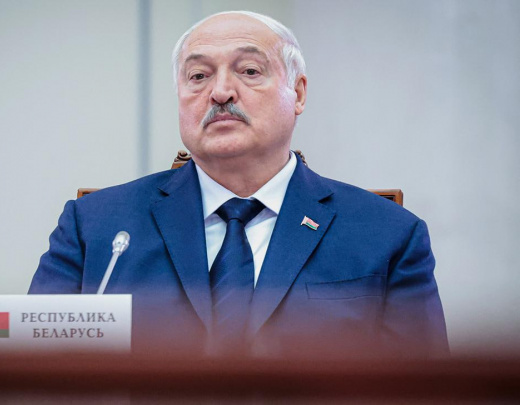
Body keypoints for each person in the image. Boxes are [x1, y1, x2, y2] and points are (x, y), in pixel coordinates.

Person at [29, 11, 448, 358]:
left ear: (298, 93)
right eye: (198, 76)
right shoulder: (98, 228)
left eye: (249, 71)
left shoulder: (387, 234)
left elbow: (422, 389)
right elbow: (30, 365)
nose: (220, 92)